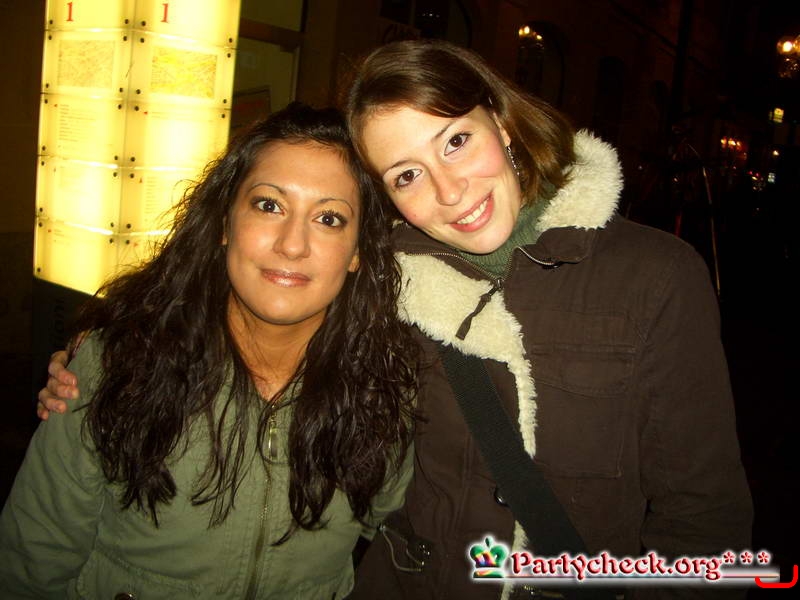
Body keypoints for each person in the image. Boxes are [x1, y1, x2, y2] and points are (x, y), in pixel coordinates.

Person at [39, 40, 753, 599]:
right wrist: (103, 356)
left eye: (455, 141)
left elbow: (704, 518)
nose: (449, 190)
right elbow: (255, 304)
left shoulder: (654, 277)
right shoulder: (385, 275)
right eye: (405, 175)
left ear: (501, 121)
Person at [3, 103, 418, 599]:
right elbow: (33, 559)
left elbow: (413, 530)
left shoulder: (385, 385)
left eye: (329, 218)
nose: (292, 244)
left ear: (357, 253)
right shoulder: (120, 362)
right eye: (269, 205)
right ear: (225, 223)